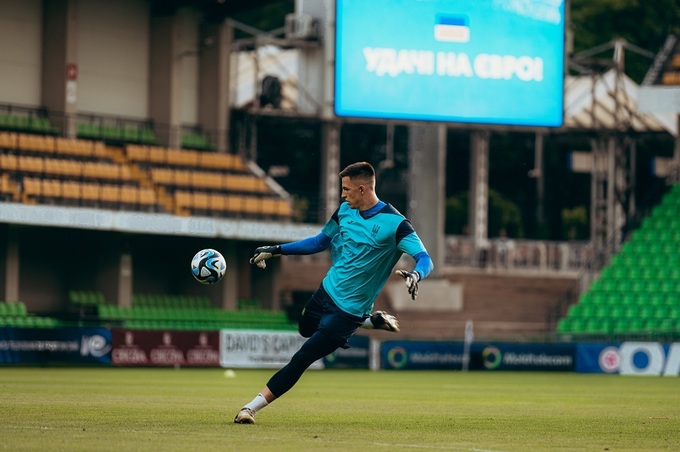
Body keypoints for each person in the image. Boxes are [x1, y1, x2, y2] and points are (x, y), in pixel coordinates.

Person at [234, 161, 434, 424]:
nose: (342, 194)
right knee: (304, 327)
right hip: (326, 291)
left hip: (348, 312)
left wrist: (416, 274)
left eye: (346, 189)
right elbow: (319, 241)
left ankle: (250, 408)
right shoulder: (344, 212)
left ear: (362, 189)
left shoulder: (396, 224)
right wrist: (276, 249)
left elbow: (425, 258)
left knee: (302, 357)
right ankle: (371, 321)